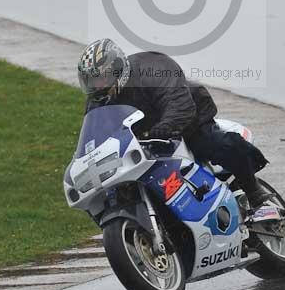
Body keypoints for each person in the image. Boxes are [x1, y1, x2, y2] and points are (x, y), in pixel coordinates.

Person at [77, 38, 271, 209]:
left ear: (117, 68)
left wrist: (165, 127)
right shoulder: (97, 102)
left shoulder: (151, 68)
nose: (98, 86)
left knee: (216, 143)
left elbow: (178, 103)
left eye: (101, 78)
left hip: (188, 124)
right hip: (142, 142)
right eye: (92, 81)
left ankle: (255, 193)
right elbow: (94, 135)